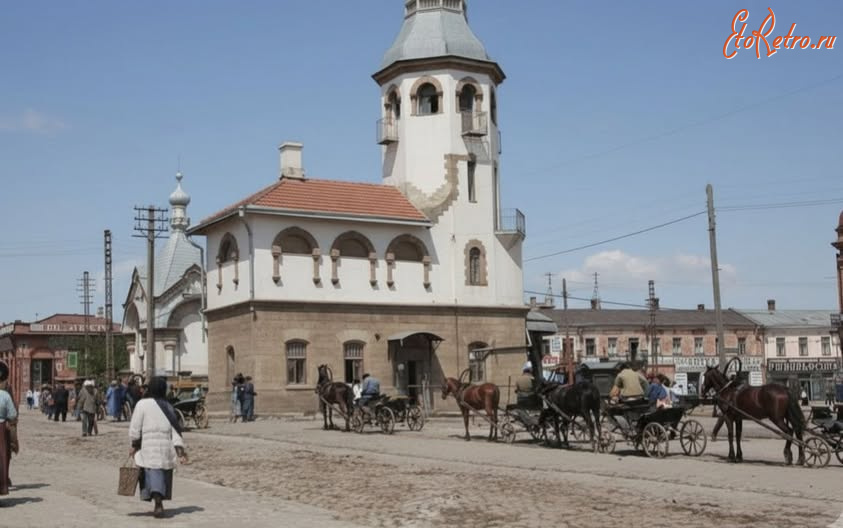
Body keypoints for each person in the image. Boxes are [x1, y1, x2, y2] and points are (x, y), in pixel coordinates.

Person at [129, 376, 189, 519]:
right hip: (165, 447)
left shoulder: (142, 404)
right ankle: (159, 500)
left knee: (153, 473)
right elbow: (175, 430)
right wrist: (180, 450)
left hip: (148, 447)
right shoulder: (168, 406)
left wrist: (134, 444)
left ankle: (158, 503)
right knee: (161, 473)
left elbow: (135, 427)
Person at [0, 362, 20, 498]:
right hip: (2, 428)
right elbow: (13, 415)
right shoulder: (6, 393)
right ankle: (3, 484)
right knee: (3, 456)